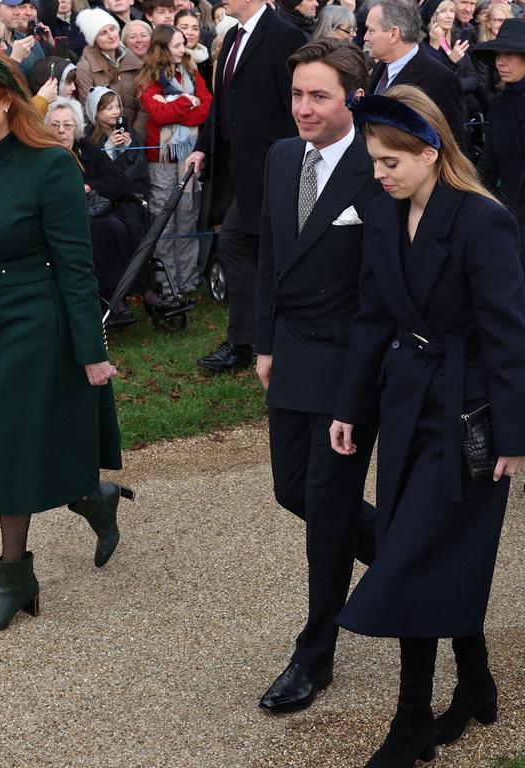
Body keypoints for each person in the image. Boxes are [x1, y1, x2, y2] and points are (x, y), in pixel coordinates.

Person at [329, 85, 525, 765]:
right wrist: (350, 407)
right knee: (433, 549)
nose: (377, 175)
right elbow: (372, 318)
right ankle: (474, 682)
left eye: (389, 162)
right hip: (406, 403)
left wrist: (513, 435)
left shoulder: (481, 221)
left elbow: (508, 337)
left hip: (469, 413)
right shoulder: (383, 218)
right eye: (374, 161)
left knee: (414, 555)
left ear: (432, 152)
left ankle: (412, 719)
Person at [0, 43, 127, 636]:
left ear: (8, 99)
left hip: (41, 319)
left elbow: (76, 265)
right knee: (20, 433)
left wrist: (92, 352)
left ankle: (14, 577)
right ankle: (92, 493)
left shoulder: (52, 165)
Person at [254, 38, 382, 716]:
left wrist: (365, 378)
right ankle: (403, 553)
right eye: (298, 94)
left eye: (319, 96)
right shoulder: (281, 157)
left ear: (352, 98)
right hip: (293, 351)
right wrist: (264, 342)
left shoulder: (379, 164)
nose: (303, 108)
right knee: (291, 490)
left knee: (328, 511)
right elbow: (272, 253)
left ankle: (313, 658)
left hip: (352, 361)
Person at [187, 0, 306, 373]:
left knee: (250, 249)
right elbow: (225, 104)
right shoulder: (235, 36)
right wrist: (203, 148)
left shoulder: (285, 35)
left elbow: (297, 106)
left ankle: (256, 343)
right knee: (242, 247)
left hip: (274, 170)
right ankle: (249, 342)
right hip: (239, 173)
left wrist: (295, 166)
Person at [137, 23, 210, 297]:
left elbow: (206, 106)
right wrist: (185, 100)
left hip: (189, 155)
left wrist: (178, 103)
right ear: (163, 48)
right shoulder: (149, 80)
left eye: (184, 44)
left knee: (187, 218)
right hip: (162, 160)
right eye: (178, 45)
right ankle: (166, 284)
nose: (184, 48)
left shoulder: (191, 71)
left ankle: (188, 281)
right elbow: (158, 114)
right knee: (164, 220)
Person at [46, 96, 135, 313]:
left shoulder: (86, 148)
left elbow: (119, 180)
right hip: (63, 222)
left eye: (67, 125)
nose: (61, 131)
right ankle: (113, 297)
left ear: (76, 127)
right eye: (55, 125)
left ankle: (141, 290)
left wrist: (88, 187)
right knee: (103, 229)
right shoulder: (42, 155)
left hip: (96, 210)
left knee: (130, 218)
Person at [364, 0, 465, 144]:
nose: (365, 37)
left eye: (371, 30)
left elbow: (453, 143)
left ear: (393, 34)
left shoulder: (440, 79)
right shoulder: (381, 68)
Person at [475, 17, 525, 262]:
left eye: (509, 54)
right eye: (497, 55)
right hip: (512, 219)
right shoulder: (499, 106)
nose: (500, 62)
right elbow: (488, 163)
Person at [73, 8, 142, 126]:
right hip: (105, 138)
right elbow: (88, 111)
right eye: (103, 33)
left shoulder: (134, 60)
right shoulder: (85, 67)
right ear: (94, 39)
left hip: (137, 138)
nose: (111, 36)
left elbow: (144, 105)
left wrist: (137, 136)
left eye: (112, 29)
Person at [0, 0, 45, 74]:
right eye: (11, 6)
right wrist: (15, 60)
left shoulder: (30, 41)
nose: (18, 12)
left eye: (18, 5)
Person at [175, 10, 211, 100]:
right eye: (184, 27)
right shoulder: (166, 59)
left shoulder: (209, 60)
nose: (190, 33)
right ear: (174, 29)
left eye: (195, 28)